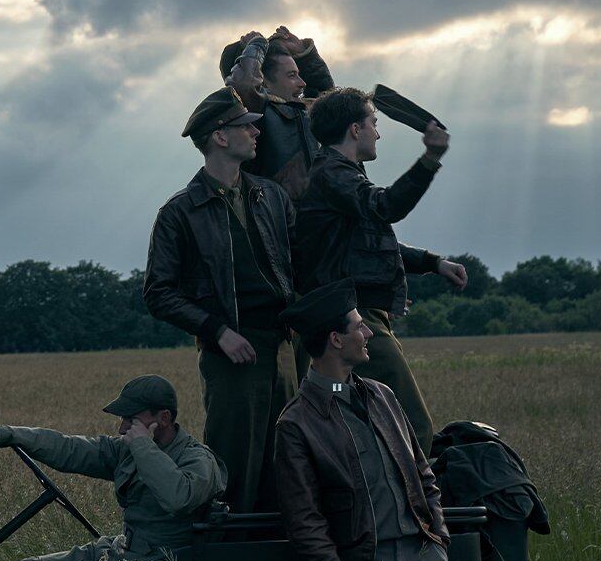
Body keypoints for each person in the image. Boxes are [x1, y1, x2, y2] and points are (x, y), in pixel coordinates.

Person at [274, 279, 451, 561]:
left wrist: (437, 541)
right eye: (359, 326)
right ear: (336, 340)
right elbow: (305, 523)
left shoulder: (382, 395)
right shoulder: (296, 424)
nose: (369, 332)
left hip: (422, 560)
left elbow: (423, 473)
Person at [143, 87, 297, 511]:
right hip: (232, 355)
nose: (256, 132)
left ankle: (281, 552)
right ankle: (229, 551)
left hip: (284, 346)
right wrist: (218, 331)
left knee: (287, 462)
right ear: (220, 137)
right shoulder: (179, 212)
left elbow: (300, 265)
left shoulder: (271, 196)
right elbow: (158, 293)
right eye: (246, 126)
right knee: (235, 469)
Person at [0, 375, 226, 561]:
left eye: (131, 420)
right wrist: (4, 434)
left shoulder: (197, 459)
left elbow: (179, 497)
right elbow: (69, 448)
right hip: (120, 549)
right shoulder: (130, 448)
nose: (122, 428)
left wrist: (143, 447)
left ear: (164, 418)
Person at [294, 87, 467, 440]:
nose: (378, 133)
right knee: (412, 424)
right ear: (355, 129)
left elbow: (369, 241)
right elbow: (386, 207)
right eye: (373, 123)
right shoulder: (333, 174)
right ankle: (416, 479)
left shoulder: (341, 175)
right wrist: (430, 159)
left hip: (356, 313)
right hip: (354, 317)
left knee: (367, 418)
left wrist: (433, 263)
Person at [228, 27, 336, 199]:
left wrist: (305, 55)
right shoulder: (255, 116)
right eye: (292, 75)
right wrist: (257, 46)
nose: (303, 83)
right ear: (264, 82)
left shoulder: (304, 112)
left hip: (321, 214)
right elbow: (244, 87)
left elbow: (330, 103)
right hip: (283, 215)